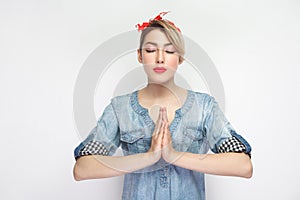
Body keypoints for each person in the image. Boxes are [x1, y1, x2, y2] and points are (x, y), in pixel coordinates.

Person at [73, 12, 253, 200]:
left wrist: (173, 155)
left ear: (180, 58)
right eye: (151, 50)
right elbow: (82, 168)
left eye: (169, 51)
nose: (160, 58)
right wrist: (149, 157)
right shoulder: (120, 108)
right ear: (140, 55)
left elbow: (243, 165)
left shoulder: (204, 107)